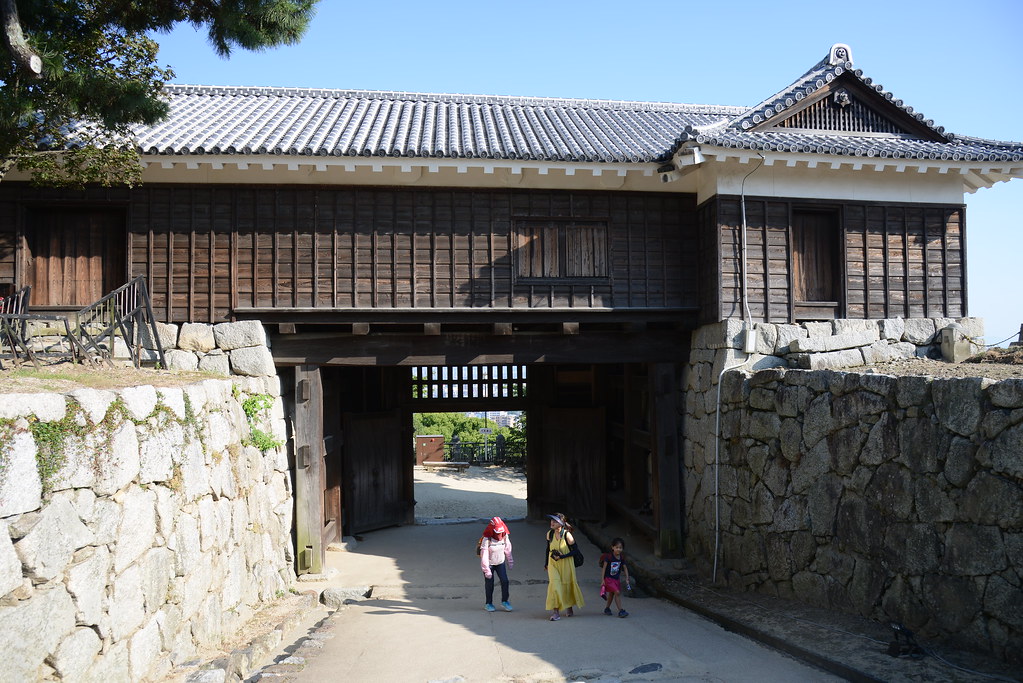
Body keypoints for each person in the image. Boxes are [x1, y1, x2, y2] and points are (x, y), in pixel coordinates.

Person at [544, 512, 585, 621]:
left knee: (566, 584)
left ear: (561, 524)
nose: (552, 523)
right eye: (551, 520)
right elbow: (548, 549)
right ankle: (556, 612)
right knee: (554, 586)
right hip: (553, 563)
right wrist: (546, 563)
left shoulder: (567, 535)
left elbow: (575, 551)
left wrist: (562, 556)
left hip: (566, 563)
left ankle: (569, 606)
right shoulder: (549, 534)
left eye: (555, 521)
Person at [480, 516, 514, 612]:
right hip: (489, 564)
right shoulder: (487, 539)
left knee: (505, 581)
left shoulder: (505, 536)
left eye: (500, 532)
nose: (499, 535)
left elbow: (508, 549)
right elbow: (484, 555)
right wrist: (486, 570)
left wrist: (510, 561)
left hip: (500, 563)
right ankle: (488, 603)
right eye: (497, 532)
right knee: (489, 584)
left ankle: (505, 601)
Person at [598, 537, 631, 617]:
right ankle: (621, 610)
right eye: (617, 547)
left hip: (616, 579)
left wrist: (627, 578)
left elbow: (625, 568)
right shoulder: (609, 557)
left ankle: (607, 608)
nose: (618, 549)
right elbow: (604, 568)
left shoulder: (621, 558)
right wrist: (602, 580)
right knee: (617, 592)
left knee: (612, 594)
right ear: (612, 547)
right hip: (608, 579)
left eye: (620, 548)